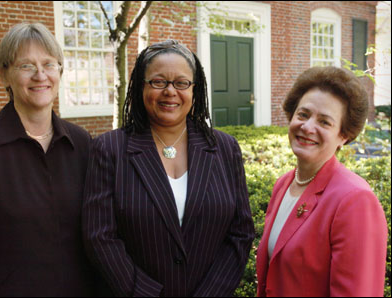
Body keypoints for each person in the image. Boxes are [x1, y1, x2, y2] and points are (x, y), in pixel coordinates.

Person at [0, 23, 110, 296]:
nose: (40, 75)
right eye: (26, 66)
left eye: (49, 64)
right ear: (4, 75)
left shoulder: (81, 144)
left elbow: (99, 236)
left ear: (60, 71)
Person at [82, 39, 255, 297]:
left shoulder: (224, 148)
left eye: (181, 83)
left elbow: (240, 233)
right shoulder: (110, 149)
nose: (170, 91)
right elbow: (100, 237)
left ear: (195, 90)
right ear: (141, 87)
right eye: (158, 81)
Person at [256, 66, 388, 297]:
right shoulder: (284, 184)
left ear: (343, 135)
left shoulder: (355, 200)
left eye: (324, 122)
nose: (307, 127)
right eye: (303, 114)